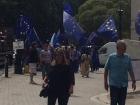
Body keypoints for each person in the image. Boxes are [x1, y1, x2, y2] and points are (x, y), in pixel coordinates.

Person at [104, 40, 136, 105]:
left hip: (123, 85)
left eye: (125, 48)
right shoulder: (111, 57)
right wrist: (105, 82)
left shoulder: (127, 58)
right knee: (113, 103)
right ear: (118, 48)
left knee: (122, 103)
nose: (125, 50)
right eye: (123, 48)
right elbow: (106, 70)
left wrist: (133, 82)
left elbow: (130, 70)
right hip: (114, 85)